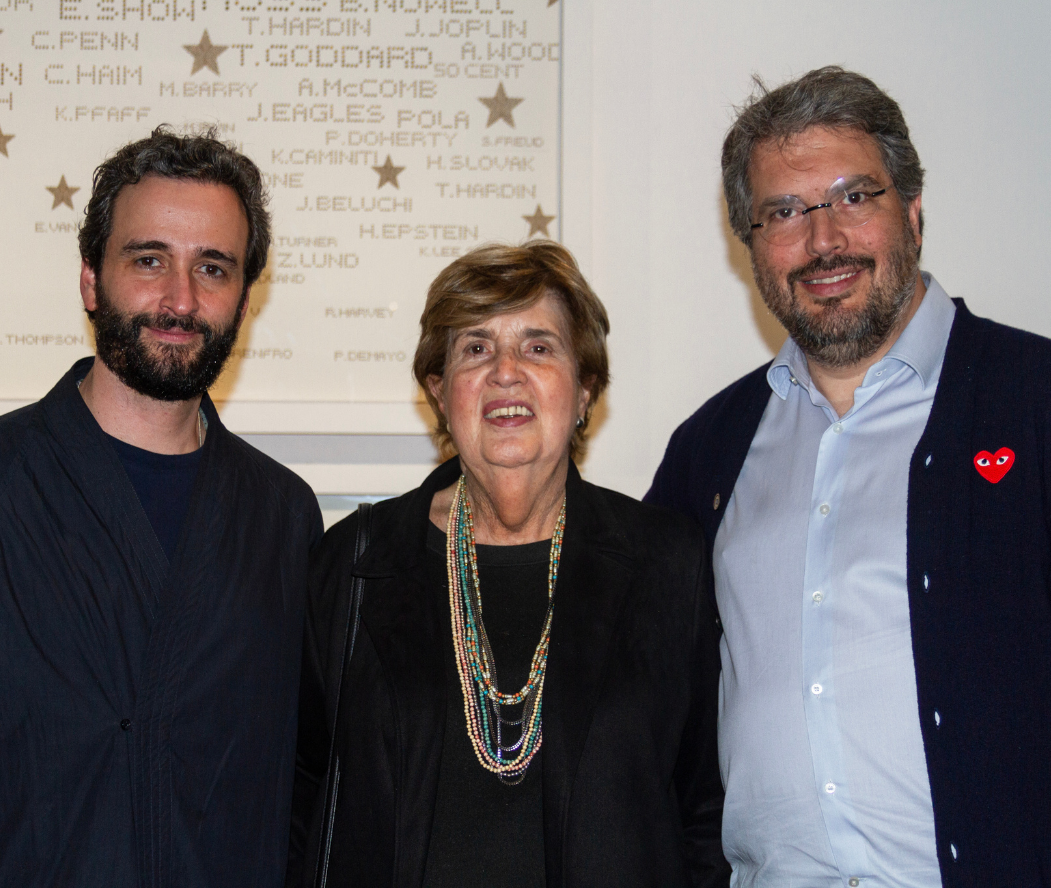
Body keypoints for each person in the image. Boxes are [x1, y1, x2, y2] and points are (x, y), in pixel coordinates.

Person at [645, 65, 1051, 886]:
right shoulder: (707, 451)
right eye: (784, 212)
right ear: (750, 246)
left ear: (911, 210)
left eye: (853, 197)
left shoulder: (1049, 403)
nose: (823, 241)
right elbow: (644, 704)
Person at [289, 241, 725, 887]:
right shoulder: (353, 563)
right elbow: (302, 797)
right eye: (476, 348)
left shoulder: (668, 563)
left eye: (538, 347)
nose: (505, 372)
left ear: (585, 389)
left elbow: (707, 810)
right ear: (440, 392)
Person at [0, 127, 322, 887]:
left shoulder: (283, 517)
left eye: (212, 268)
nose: (180, 300)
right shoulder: (8, 480)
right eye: (149, 260)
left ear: (244, 298)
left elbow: (306, 780)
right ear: (90, 281)